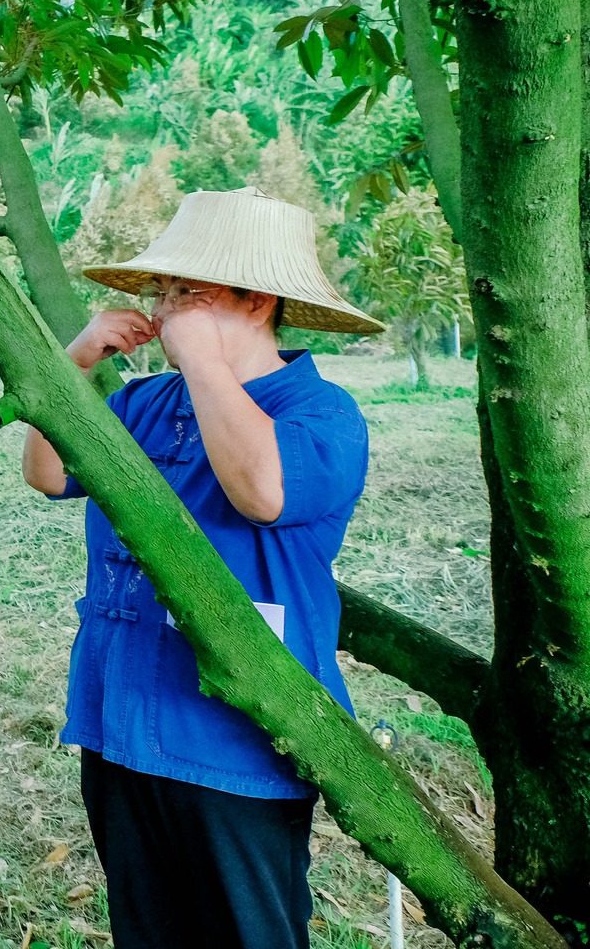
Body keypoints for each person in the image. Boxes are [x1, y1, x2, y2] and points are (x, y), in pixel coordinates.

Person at [20, 187, 382, 949]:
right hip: (121, 723)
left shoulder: (323, 415)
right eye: (165, 290)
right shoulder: (149, 402)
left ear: (255, 301)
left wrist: (206, 364)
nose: (166, 307)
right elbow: (49, 472)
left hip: (235, 743)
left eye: (190, 292)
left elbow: (261, 491)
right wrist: (77, 358)